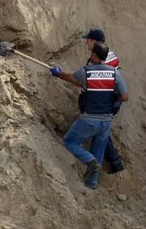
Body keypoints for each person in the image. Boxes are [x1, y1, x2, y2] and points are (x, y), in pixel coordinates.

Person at [51, 42, 128, 189]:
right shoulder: (114, 73)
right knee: (98, 151)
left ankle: (89, 160)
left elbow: (70, 78)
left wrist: (57, 73)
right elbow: (125, 97)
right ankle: (91, 183)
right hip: (106, 121)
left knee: (69, 142)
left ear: (94, 55)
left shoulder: (87, 71)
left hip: (89, 119)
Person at [82, 28, 124, 173]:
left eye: (87, 40)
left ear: (93, 41)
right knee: (101, 130)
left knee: (100, 131)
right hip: (112, 98)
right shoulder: (108, 54)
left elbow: (96, 80)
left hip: (106, 100)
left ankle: (114, 162)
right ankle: (111, 163)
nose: (86, 43)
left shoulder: (99, 59)